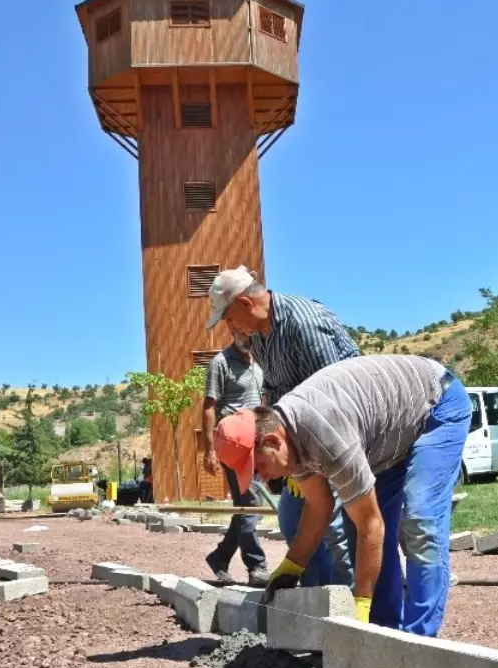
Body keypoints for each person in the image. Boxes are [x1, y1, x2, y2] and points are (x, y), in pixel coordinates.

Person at [213, 355, 471, 636]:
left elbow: (371, 526)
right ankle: (382, 633)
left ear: (273, 441)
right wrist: (292, 564)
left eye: (260, 467)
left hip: (435, 407)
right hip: (388, 436)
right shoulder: (290, 438)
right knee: (355, 526)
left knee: (421, 521)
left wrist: (359, 604)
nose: (262, 477)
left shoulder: (323, 432)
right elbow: (319, 505)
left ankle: (421, 639)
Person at [206, 265, 358, 588]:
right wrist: (279, 459)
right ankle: (318, 601)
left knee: (335, 529)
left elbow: (339, 395)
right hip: (297, 439)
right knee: (291, 520)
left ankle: (351, 607)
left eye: (229, 318)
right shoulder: (259, 338)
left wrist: (312, 463)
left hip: (338, 438)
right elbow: (274, 390)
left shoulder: (304, 325)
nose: (230, 327)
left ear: (246, 305)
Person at [201, 329, 269, 587]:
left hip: (256, 442)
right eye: (241, 331)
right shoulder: (220, 362)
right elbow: (208, 406)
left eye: (251, 331)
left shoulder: (259, 360)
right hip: (233, 444)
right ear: (231, 330)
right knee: (251, 502)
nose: (247, 336)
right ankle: (257, 565)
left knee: (246, 503)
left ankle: (220, 557)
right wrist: (208, 450)